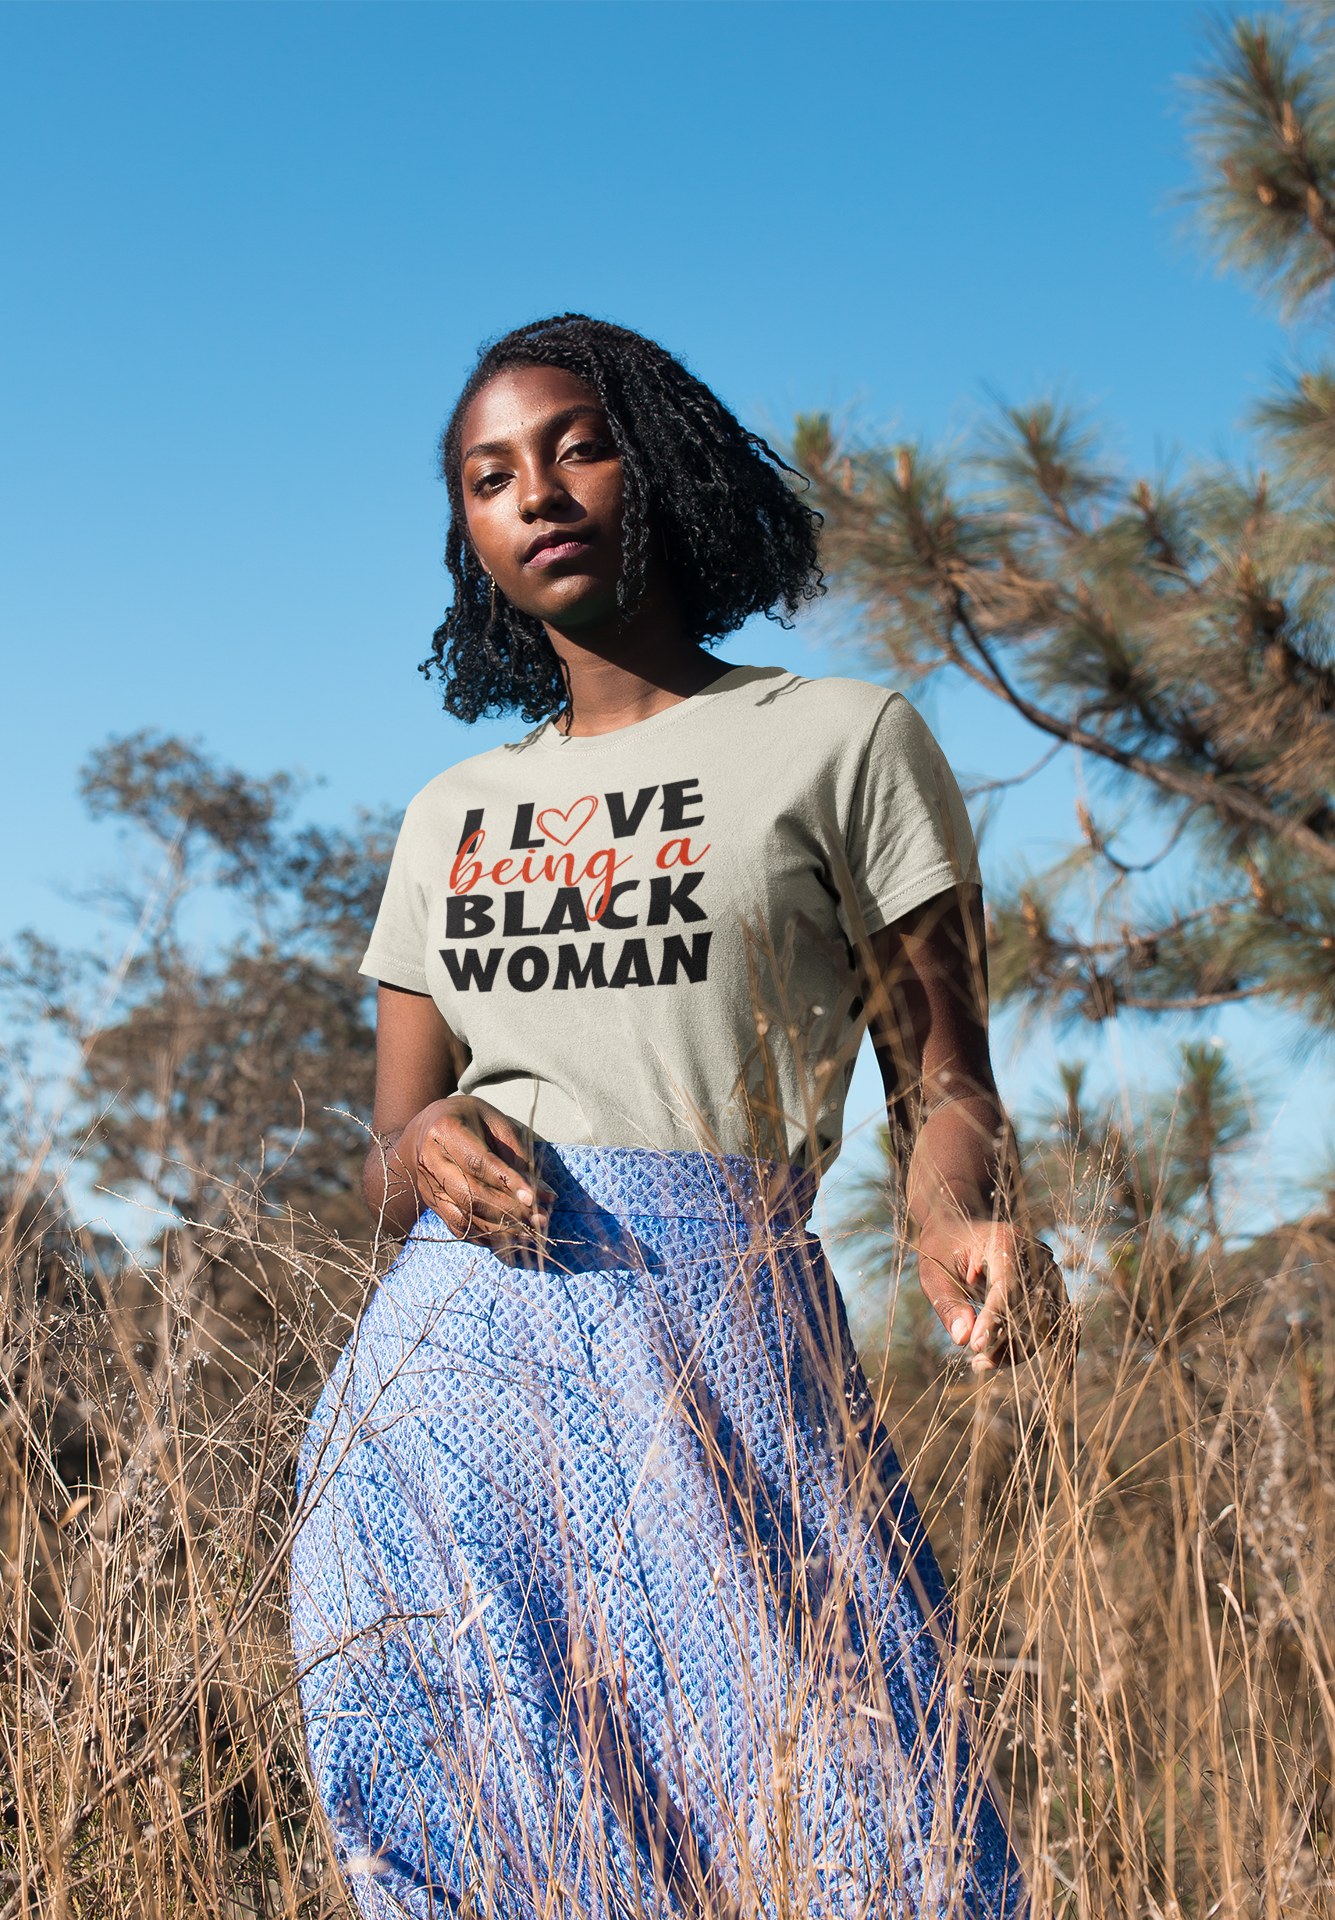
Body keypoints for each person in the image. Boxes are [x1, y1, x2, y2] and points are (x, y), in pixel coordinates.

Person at [291, 314, 1058, 1919]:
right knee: (488, 1842)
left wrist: (956, 1214)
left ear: (663, 457)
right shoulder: (451, 814)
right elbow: (383, 1158)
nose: (539, 492)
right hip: (447, 1386)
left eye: (577, 443)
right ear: (472, 540)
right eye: (491, 478)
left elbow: (947, 1076)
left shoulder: (843, 740)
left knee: (862, 1809)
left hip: (720, 1326)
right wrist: (422, 1150)